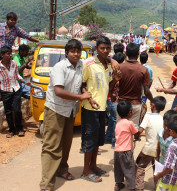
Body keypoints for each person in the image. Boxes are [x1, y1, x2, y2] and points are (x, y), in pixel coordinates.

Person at [40, 39, 92, 190]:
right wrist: (80, 97)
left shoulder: (81, 65)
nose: (76, 54)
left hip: (70, 110)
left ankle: (62, 169)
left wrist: (84, 93)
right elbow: (58, 91)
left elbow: (81, 83)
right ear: (67, 52)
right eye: (72, 51)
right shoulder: (60, 67)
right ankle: (46, 184)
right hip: (56, 109)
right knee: (51, 146)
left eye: (78, 51)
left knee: (66, 143)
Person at [80, 36, 117, 182]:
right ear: (96, 49)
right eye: (102, 48)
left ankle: (93, 167)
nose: (105, 51)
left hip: (102, 108)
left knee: (97, 140)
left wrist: (116, 80)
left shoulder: (108, 65)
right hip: (90, 108)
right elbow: (81, 84)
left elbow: (109, 86)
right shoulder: (88, 64)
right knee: (89, 140)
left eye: (108, 48)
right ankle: (85, 171)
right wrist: (87, 97)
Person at [135, 96, 166, 190]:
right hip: (159, 149)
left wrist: (135, 136)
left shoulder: (148, 116)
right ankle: (158, 187)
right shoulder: (162, 119)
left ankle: (139, 187)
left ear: (153, 105)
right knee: (157, 169)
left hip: (149, 148)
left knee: (140, 166)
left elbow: (140, 130)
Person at [118, 42, 153, 126]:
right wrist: (152, 100)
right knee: (133, 129)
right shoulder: (143, 69)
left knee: (120, 129)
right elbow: (147, 91)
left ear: (126, 54)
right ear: (138, 53)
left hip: (121, 104)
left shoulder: (119, 67)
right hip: (136, 104)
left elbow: (113, 84)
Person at [0, 46, 26, 138]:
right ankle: (11, 130)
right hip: (5, 90)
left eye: (11, 53)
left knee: (17, 110)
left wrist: (24, 81)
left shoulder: (14, 63)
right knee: (8, 111)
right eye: (8, 54)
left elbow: (17, 75)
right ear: (2, 55)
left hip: (16, 88)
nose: (10, 55)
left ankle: (19, 128)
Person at [114, 101, 138, 191]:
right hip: (126, 151)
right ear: (129, 113)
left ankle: (118, 184)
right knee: (129, 169)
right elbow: (136, 133)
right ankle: (132, 187)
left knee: (118, 169)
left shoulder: (118, 123)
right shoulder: (129, 123)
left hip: (117, 150)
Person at [104, 53, 125, 148]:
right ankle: (114, 141)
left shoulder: (108, 69)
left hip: (107, 97)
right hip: (113, 98)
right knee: (116, 120)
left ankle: (107, 137)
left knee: (112, 119)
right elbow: (117, 85)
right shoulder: (116, 71)